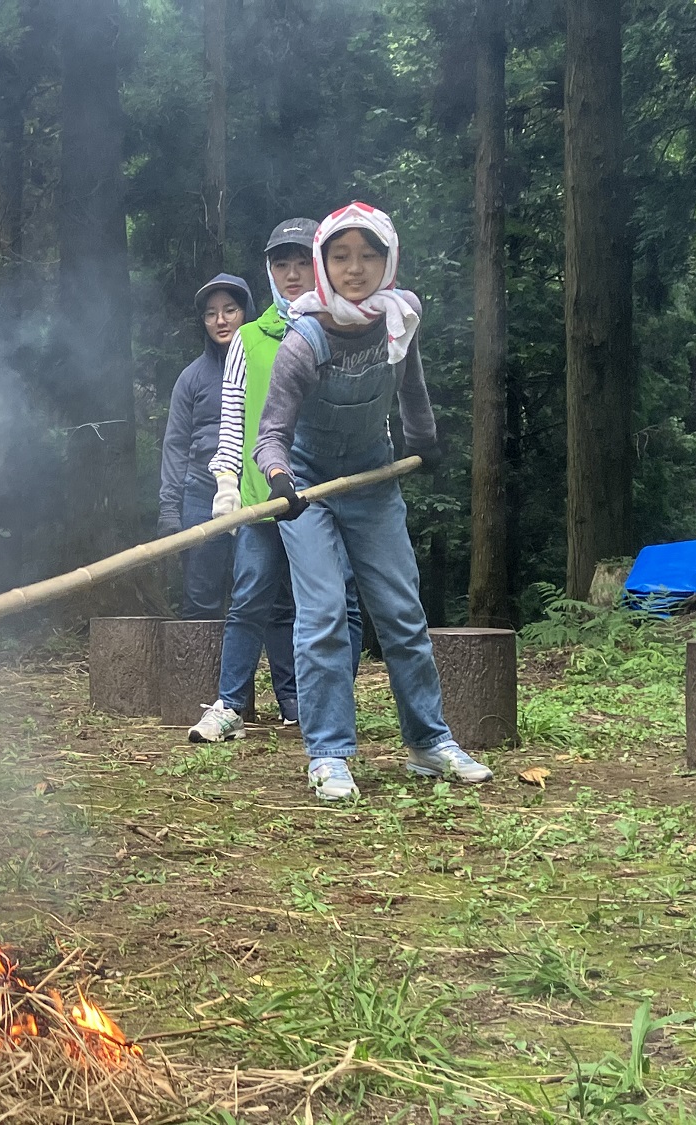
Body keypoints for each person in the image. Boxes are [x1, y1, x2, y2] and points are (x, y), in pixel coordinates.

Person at [253, 202, 492, 800]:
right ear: (323, 264)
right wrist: (280, 477)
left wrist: (425, 444)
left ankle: (428, 743)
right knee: (325, 616)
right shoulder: (304, 340)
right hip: (307, 491)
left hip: (373, 478)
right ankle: (328, 754)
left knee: (402, 614)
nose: (354, 269)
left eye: (368, 256)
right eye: (340, 256)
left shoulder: (398, 322)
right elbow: (270, 434)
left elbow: (412, 393)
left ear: (388, 262)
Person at [188, 219, 363, 743]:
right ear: (268, 271)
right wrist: (226, 485)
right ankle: (231, 704)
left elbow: (364, 410)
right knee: (250, 597)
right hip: (266, 497)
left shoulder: (346, 329)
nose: (291, 275)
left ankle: (330, 702)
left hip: (329, 495)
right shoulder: (247, 338)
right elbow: (233, 421)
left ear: (319, 266)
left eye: (300, 263)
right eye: (280, 264)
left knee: (340, 599)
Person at [158, 273, 254, 620]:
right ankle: (196, 676)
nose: (221, 320)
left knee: (258, 596)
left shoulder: (264, 365)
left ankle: (242, 676)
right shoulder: (192, 377)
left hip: (255, 495)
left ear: (246, 311)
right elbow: (175, 445)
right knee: (200, 600)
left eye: (230, 309)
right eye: (211, 314)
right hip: (200, 494)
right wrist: (170, 509)